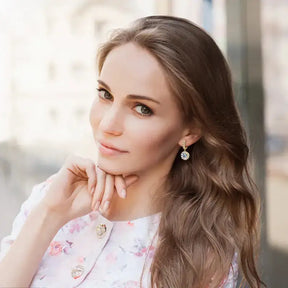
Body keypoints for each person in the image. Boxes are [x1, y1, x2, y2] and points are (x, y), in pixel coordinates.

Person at [0, 15, 263, 288]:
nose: (108, 124)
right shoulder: (51, 197)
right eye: (105, 95)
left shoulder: (201, 254)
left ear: (190, 131)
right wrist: (50, 214)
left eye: (142, 109)